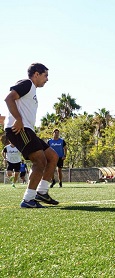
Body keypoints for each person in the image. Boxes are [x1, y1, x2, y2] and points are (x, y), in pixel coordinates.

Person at [4, 63, 60, 208]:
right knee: (39, 160)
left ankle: (42, 192)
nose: (47, 79)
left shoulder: (32, 90)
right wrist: (18, 119)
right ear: (36, 74)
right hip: (18, 129)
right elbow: (9, 98)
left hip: (28, 130)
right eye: (45, 75)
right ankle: (28, 199)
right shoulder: (27, 83)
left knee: (52, 156)